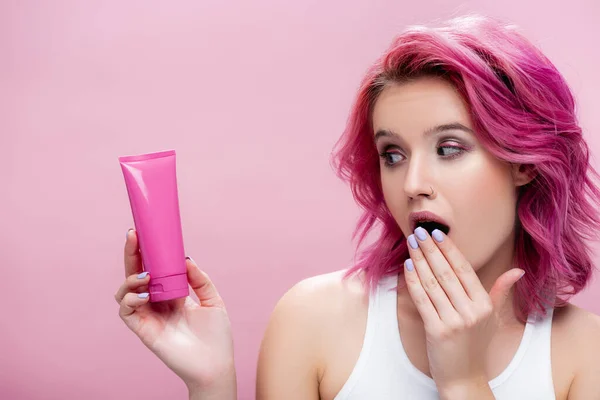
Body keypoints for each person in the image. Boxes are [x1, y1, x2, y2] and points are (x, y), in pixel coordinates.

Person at [114, 14, 600, 399]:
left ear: (525, 163)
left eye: (449, 149)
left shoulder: (585, 355)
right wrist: (211, 384)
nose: (412, 184)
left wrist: (465, 383)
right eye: (393, 154)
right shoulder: (314, 319)